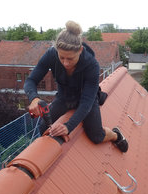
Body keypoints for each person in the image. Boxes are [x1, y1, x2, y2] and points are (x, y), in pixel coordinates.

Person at [24, 21, 128, 152]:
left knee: (96, 136)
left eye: (70, 59)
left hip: (86, 99)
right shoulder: (51, 54)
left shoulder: (92, 65)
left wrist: (68, 127)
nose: (66, 63)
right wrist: (34, 98)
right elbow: (31, 80)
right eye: (62, 58)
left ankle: (115, 135)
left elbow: (86, 103)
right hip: (64, 97)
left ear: (80, 50)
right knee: (42, 128)